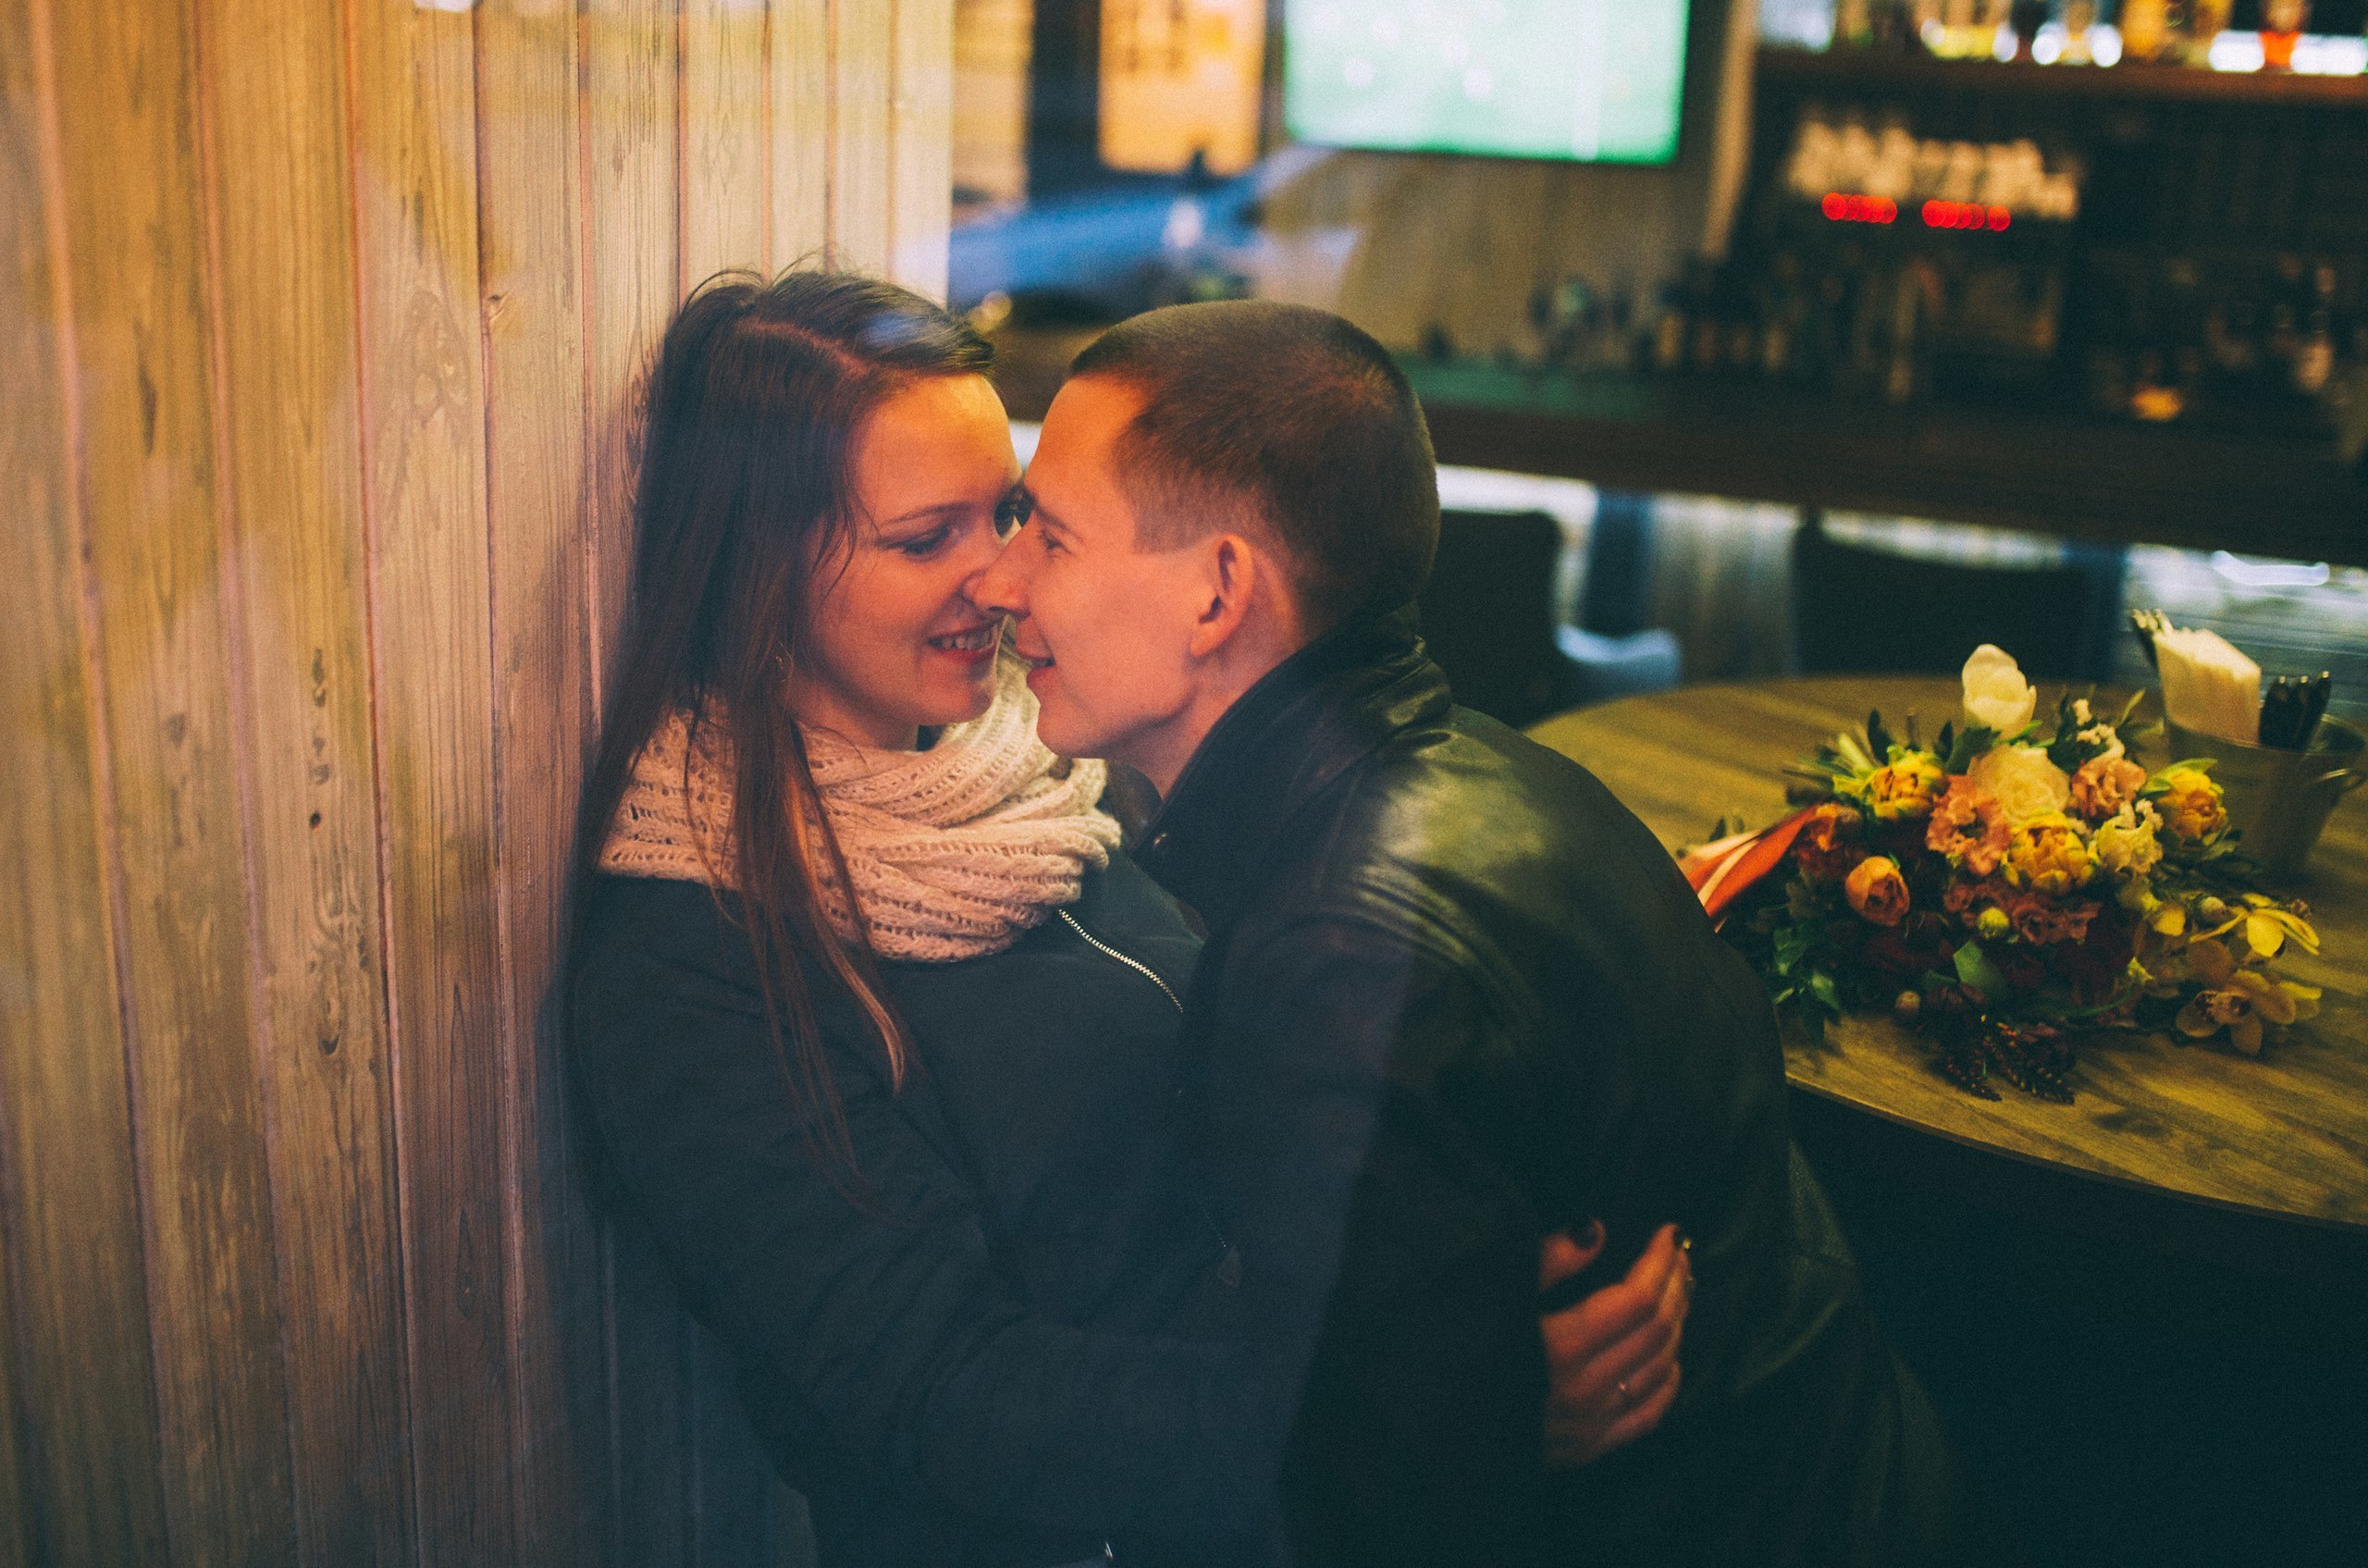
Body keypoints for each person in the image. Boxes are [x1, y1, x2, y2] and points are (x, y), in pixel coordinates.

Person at [563, 270, 1690, 1567]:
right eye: (928, 537)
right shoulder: (686, 964)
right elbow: (957, 1396)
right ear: (757, 569)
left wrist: (1485, 1255)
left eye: (1013, 514)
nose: (1001, 579)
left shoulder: (1040, 770)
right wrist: (1438, 1404)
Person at [974, 299, 1992, 1568]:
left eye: (1051, 535)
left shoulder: (1338, 955)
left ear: (1218, 591)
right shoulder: (1502, 768)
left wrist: (1480, 1422)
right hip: (1854, 1470)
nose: (1000, 578)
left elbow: (1395, 1522)